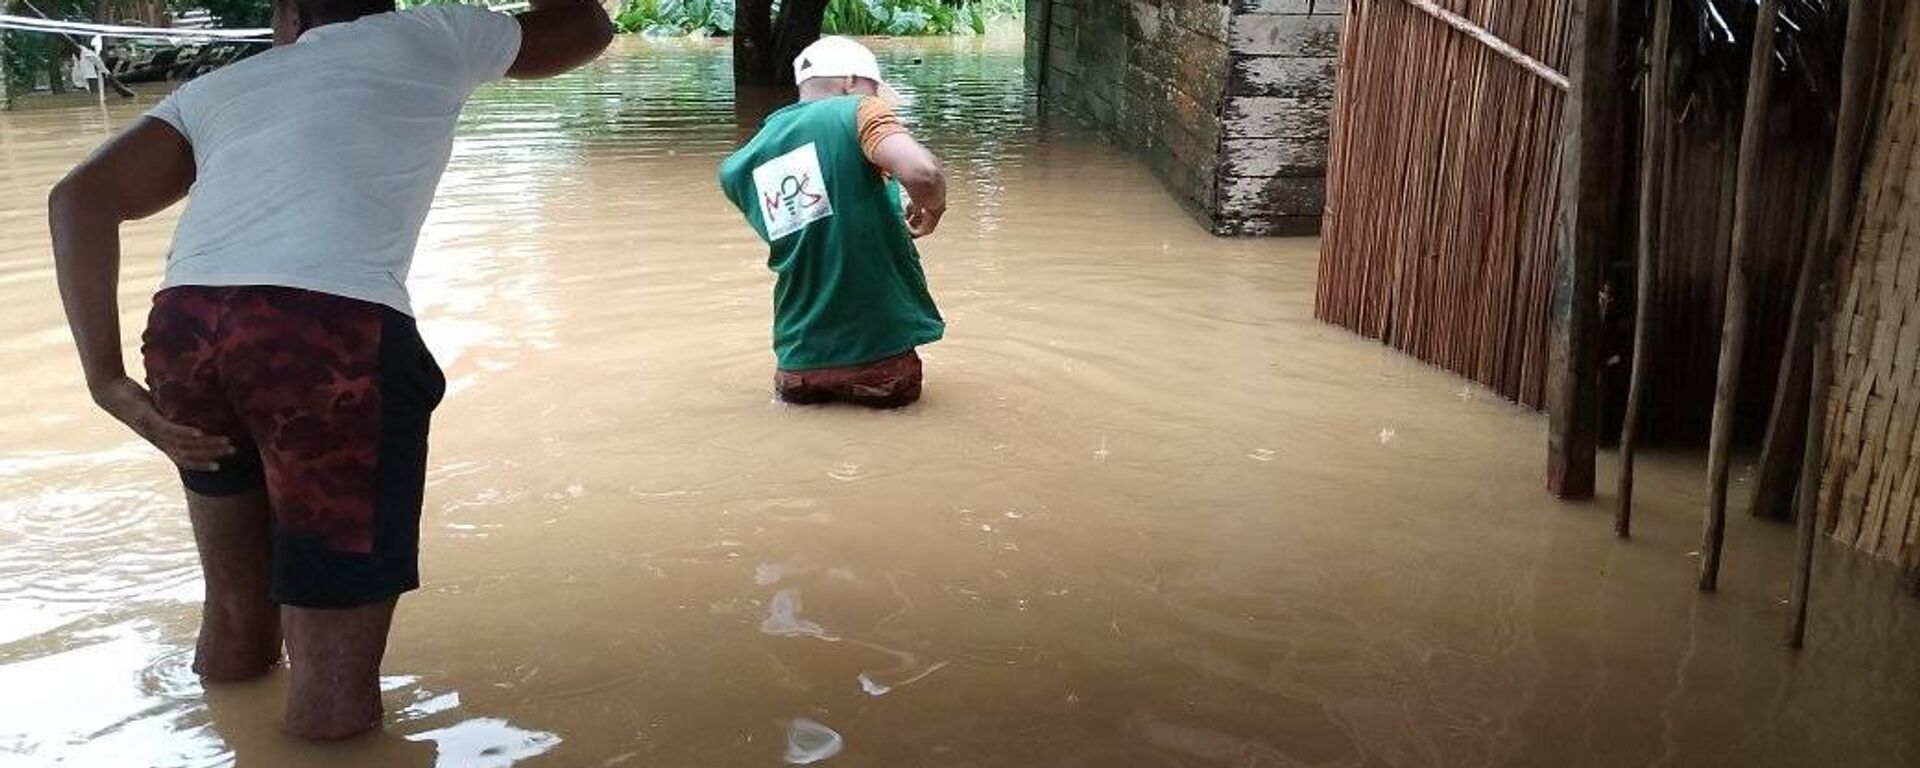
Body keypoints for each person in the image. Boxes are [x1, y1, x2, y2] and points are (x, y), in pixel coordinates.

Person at [47, 0, 610, 741]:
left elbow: (78, 197)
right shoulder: (434, 31)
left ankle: (226, 733)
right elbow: (587, 27)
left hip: (187, 334)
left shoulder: (223, 87)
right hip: (326, 340)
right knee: (333, 681)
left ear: (287, 18)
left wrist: (106, 380)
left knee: (236, 612)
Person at [719, 36, 949, 409]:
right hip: (880, 359)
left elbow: (817, 234)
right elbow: (923, 173)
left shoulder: (741, 165)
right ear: (849, 82)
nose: (877, 102)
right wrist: (933, 209)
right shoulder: (858, 111)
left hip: (797, 364)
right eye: (874, 92)